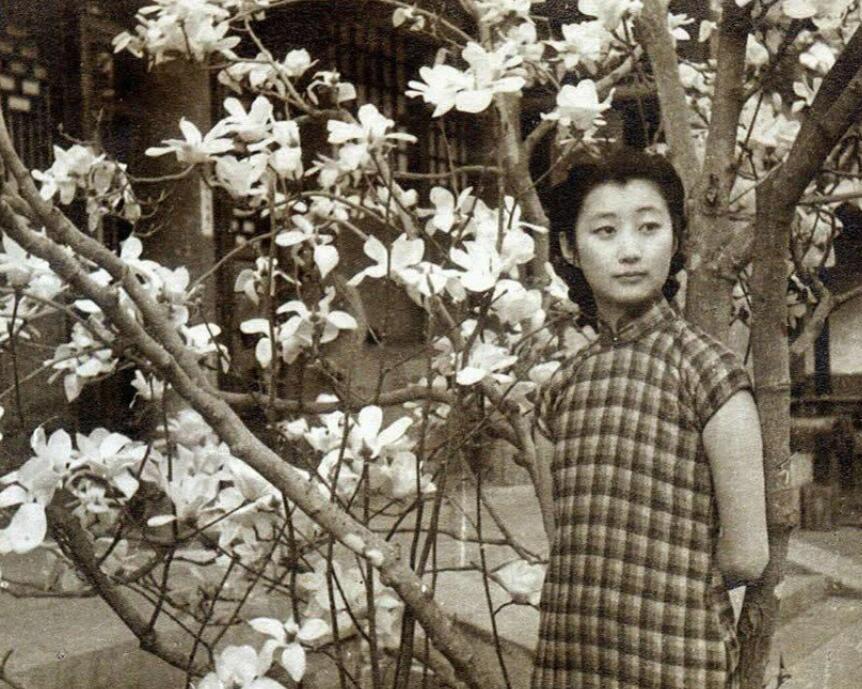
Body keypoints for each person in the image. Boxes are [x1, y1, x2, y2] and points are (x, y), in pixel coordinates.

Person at [531, 148, 769, 689]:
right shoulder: (558, 391)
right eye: (606, 231)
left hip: (677, 661)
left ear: (677, 238)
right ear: (569, 247)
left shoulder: (710, 375)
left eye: (649, 227)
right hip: (570, 659)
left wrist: (662, 586)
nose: (630, 251)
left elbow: (747, 556)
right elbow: (564, 542)